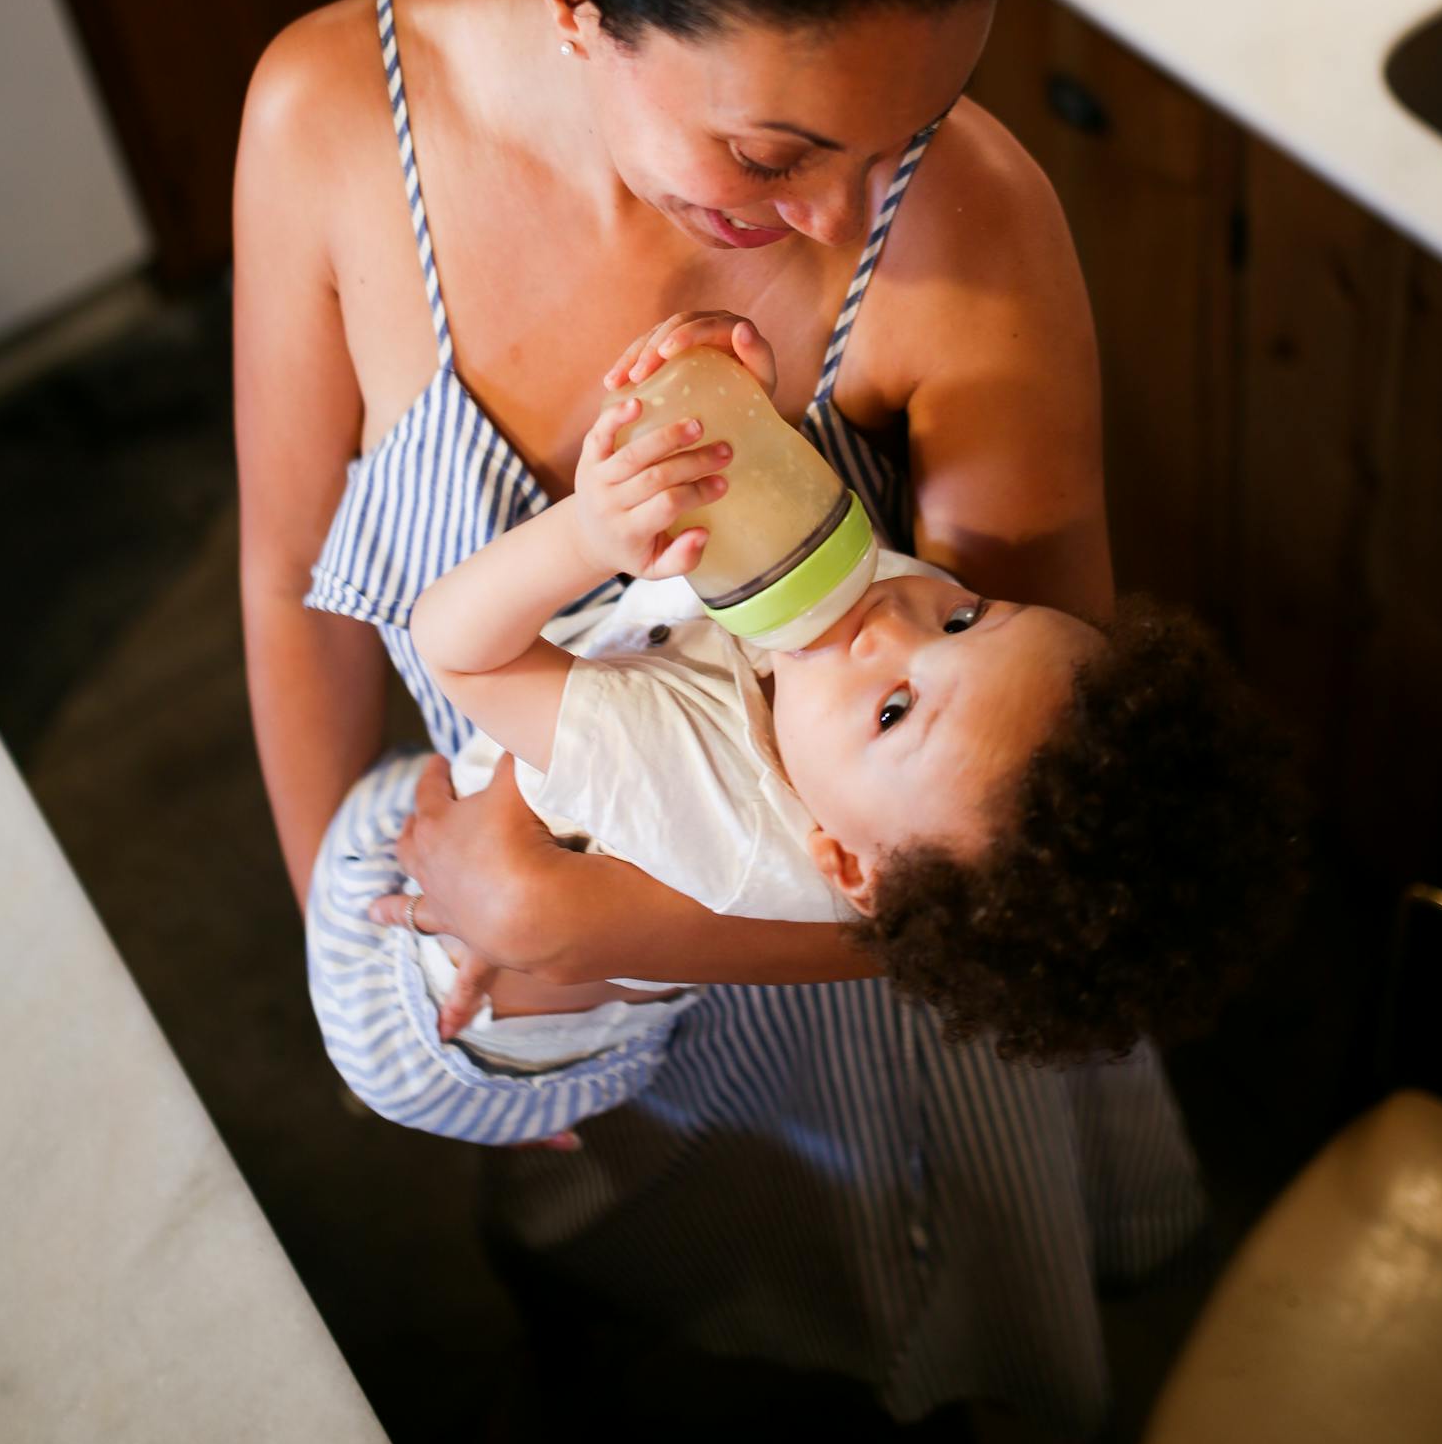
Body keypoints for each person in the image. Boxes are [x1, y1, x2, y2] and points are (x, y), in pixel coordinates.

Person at [236, 0, 1211, 1436]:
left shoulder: (975, 229)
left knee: (907, 1385)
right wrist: (413, 969)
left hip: (864, 996)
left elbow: (1037, 832)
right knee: (652, 1368)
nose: (843, 218)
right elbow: (286, 584)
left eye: (903, 134)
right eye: (771, 149)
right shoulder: (326, 121)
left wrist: (585, 909)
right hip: (515, 983)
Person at [310, 323, 1300, 1079]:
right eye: (969, 619)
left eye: (894, 711)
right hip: (502, 889)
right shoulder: (884, 742)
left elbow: (457, 649)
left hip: (420, 1004)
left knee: (354, 840)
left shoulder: (696, 782)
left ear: (839, 863)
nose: (889, 622)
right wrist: (737, 406)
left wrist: (589, 534)